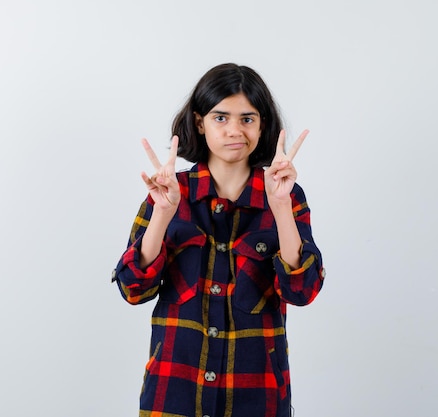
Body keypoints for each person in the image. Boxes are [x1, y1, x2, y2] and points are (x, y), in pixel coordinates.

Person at [111, 63, 325, 417]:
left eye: (247, 119)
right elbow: (134, 289)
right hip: (174, 393)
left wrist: (281, 207)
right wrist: (163, 213)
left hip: (257, 396)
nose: (234, 130)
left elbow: (302, 291)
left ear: (263, 125)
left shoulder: (286, 195)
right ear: (200, 122)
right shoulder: (168, 192)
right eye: (221, 118)